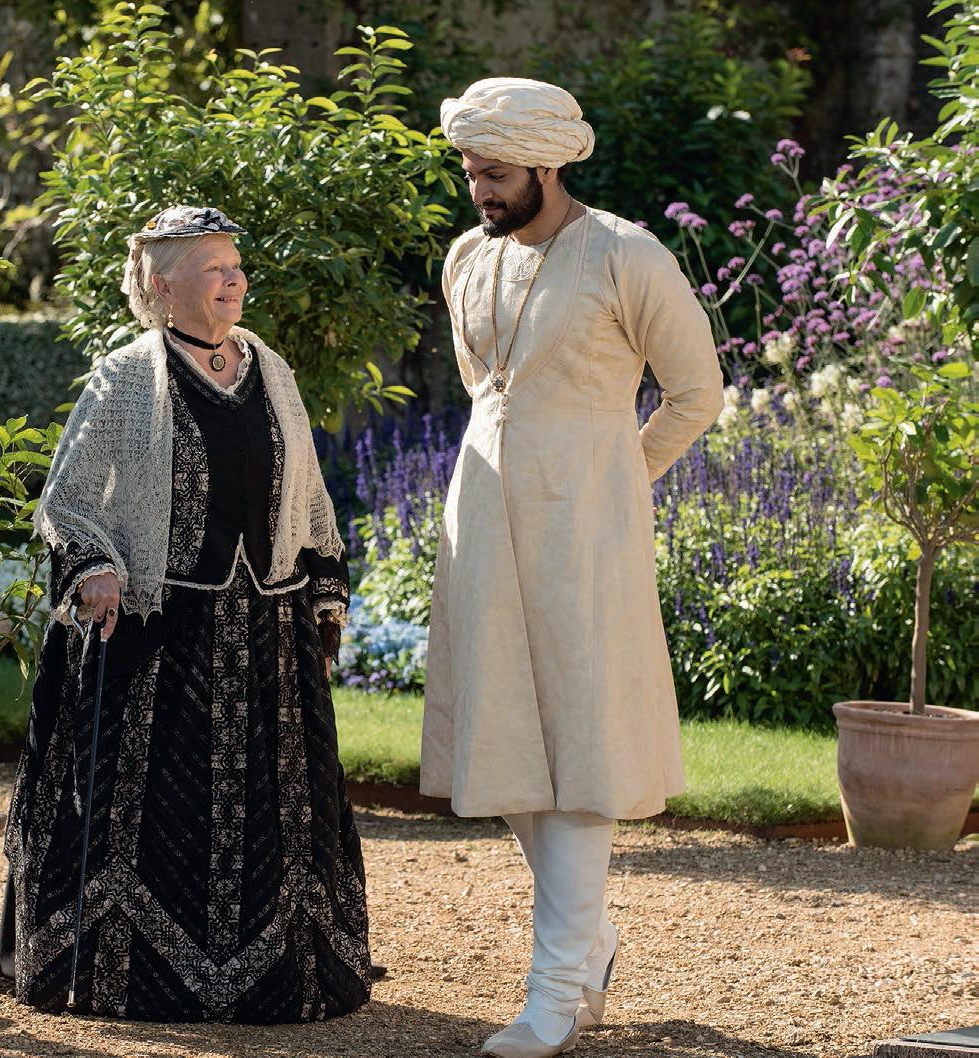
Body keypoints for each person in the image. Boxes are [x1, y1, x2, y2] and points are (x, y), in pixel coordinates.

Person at [0, 205, 372, 1023]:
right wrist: (96, 567)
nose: (234, 279)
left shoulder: (271, 368)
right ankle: (127, 975)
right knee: (153, 804)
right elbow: (66, 498)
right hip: (157, 637)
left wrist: (321, 591)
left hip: (267, 632)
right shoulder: (126, 377)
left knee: (278, 808)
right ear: (163, 287)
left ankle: (282, 978)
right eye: (214, 268)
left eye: (236, 265)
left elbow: (308, 495)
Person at [422, 78, 724, 1058]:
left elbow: (696, 392)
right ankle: (589, 939)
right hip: (480, 518)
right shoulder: (466, 258)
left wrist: (617, 476)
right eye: (471, 171)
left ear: (547, 164)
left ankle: (555, 990)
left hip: (586, 532)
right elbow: (487, 387)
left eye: (496, 173)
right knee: (500, 734)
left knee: (581, 747)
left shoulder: (626, 254)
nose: (480, 189)